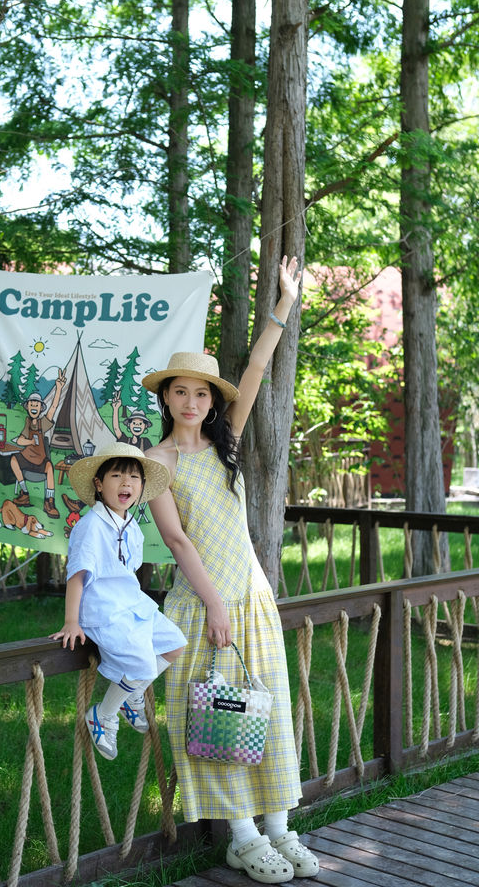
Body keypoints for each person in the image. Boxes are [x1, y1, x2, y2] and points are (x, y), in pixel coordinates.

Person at [143, 256, 318, 884]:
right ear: (165, 397)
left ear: (212, 401)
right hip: (204, 603)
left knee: (263, 713)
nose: (191, 401)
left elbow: (257, 368)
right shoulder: (154, 459)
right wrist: (214, 605)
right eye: (180, 390)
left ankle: (279, 828)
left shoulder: (225, 444)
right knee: (220, 720)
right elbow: (175, 540)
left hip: (252, 598)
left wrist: (283, 306)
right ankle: (241, 838)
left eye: (201, 393)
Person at [50, 443, 187, 761]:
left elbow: (128, 571)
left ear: (141, 487)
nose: (126, 483)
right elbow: (77, 575)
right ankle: (104, 714)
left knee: (175, 644)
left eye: (134, 477)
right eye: (117, 475)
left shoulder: (133, 527)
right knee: (140, 664)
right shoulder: (90, 527)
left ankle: (130, 695)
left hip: (130, 604)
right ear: (99, 484)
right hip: (103, 611)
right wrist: (72, 621)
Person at [11, 368, 66, 519]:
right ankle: (24, 493)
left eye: (36, 406)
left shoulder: (43, 423)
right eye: (31, 405)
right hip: (26, 457)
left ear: (40, 408)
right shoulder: (27, 422)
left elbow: (54, 408)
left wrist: (59, 388)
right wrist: (28, 441)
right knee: (13, 460)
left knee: (49, 468)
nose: (33, 407)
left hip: (40, 459)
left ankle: (49, 502)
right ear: (27, 407)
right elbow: (20, 439)